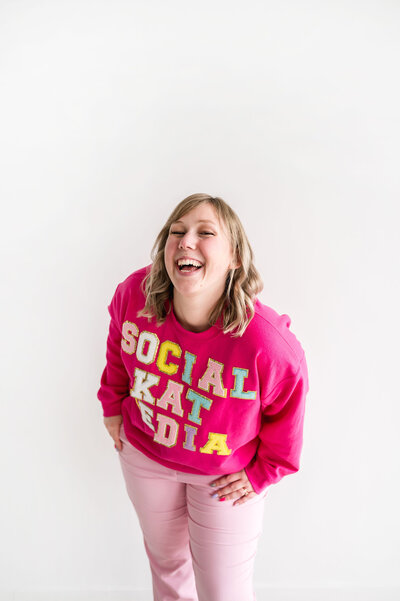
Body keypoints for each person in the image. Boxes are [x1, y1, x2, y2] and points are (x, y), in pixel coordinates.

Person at [97, 193, 309, 601]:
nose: (186, 241)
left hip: (224, 479)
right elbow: (118, 347)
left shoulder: (267, 343)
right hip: (145, 456)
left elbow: (288, 411)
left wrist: (264, 472)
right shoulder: (134, 295)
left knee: (222, 591)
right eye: (176, 232)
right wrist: (112, 404)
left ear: (234, 259)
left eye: (205, 232)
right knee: (169, 572)